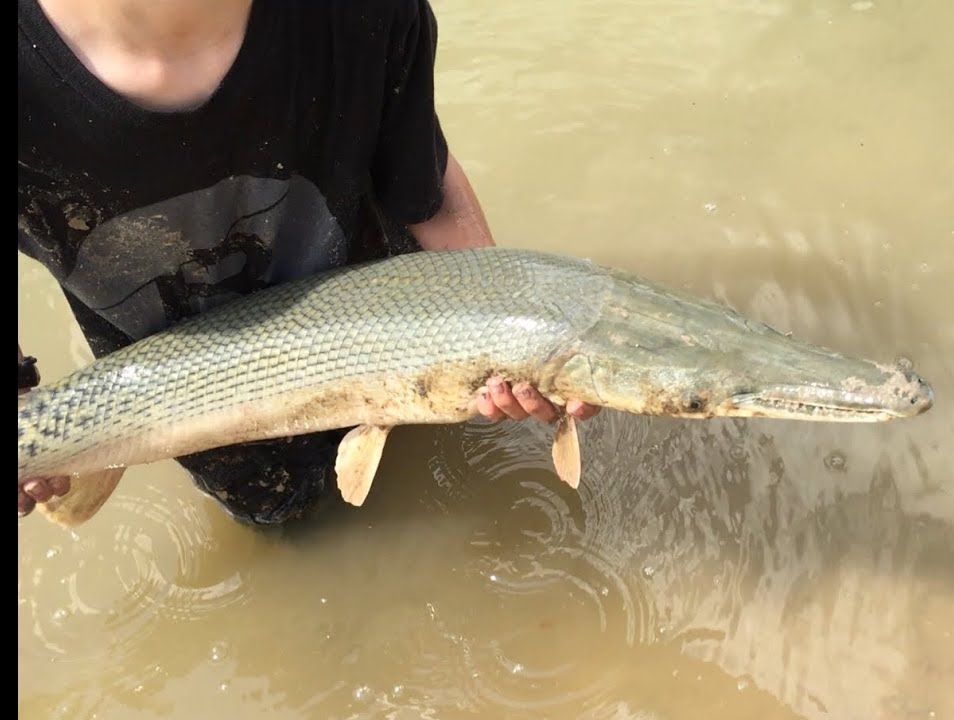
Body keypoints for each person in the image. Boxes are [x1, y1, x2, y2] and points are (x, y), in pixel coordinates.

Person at [17, 0, 599, 522]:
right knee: (293, 521)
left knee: (438, 457)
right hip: (196, 418)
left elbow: (426, 182)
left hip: (406, 334)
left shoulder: (366, 13)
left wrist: (508, 329)